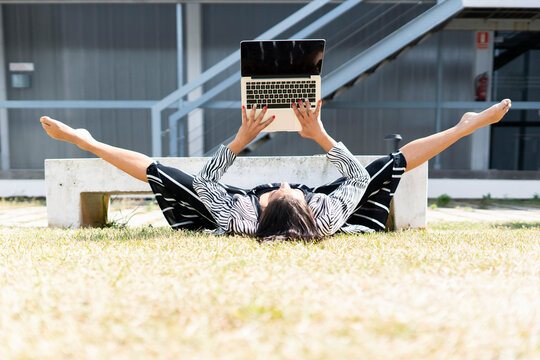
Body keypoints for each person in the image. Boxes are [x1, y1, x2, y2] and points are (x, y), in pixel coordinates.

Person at [40, 98, 512, 241]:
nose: (284, 183)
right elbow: (358, 180)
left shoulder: (240, 216)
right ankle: (461, 128)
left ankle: (87, 140)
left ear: (261, 203)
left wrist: (241, 140)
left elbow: (206, 184)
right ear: (306, 203)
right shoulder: (324, 213)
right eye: (292, 189)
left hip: (235, 207)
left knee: (164, 175)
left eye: (277, 190)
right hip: (323, 200)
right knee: (389, 165)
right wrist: (320, 136)